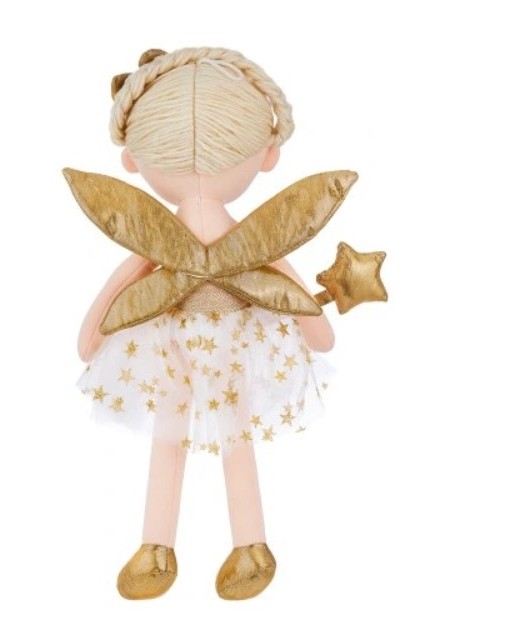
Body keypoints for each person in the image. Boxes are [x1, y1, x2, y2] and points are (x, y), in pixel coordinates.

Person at [74, 47, 335, 600]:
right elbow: (286, 283)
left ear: (132, 158)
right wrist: (319, 333)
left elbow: (126, 281)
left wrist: (92, 338)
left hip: (205, 346)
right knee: (226, 438)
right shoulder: (252, 237)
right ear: (268, 153)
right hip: (185, 346)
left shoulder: (172, 237)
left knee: (177, 440)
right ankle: (243, 547)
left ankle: (164, 549)